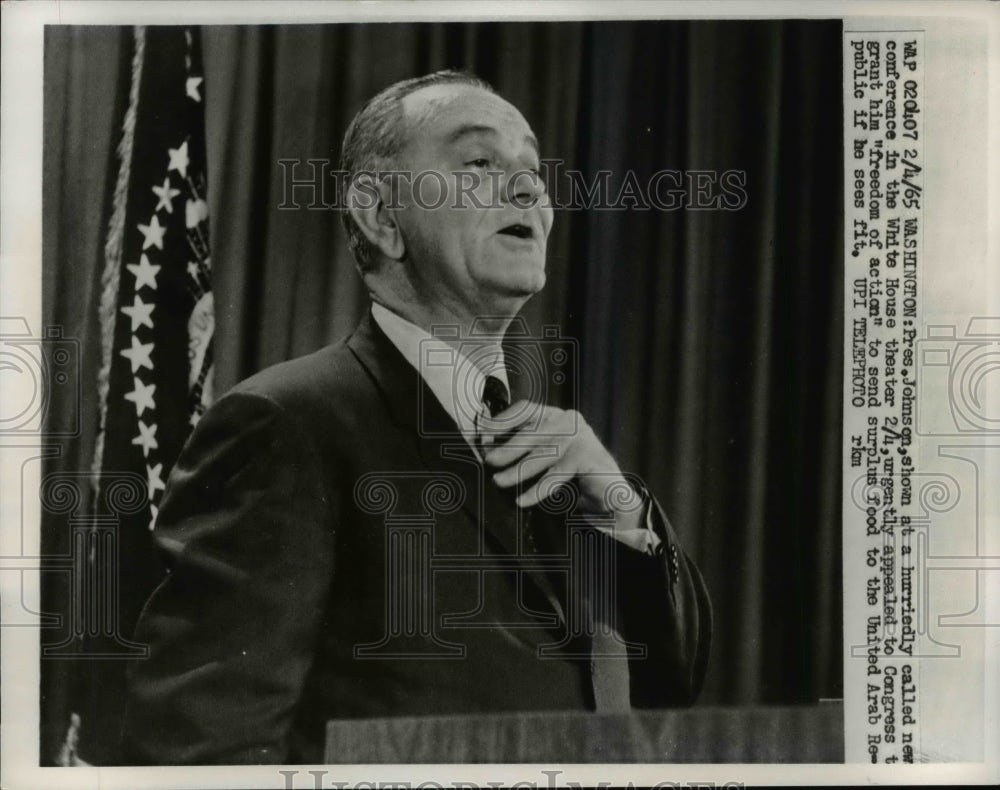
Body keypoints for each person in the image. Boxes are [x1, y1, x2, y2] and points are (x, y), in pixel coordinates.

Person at [122, 70, 711, 765]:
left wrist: (619, 511)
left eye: (532, 170)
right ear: (380, 216)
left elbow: (669, 688)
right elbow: (200, 753)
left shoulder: (564, 461)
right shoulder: (285, 425)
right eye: (480, 163)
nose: (529, 190)